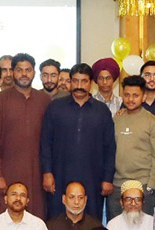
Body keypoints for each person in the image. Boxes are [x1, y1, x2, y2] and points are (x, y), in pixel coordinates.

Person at [40, 63, 116, 219]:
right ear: (70, 82)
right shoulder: (55, 108)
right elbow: (45, 143)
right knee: (57, 218)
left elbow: (109, 147)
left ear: (91, 83)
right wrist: (47, 172)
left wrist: (107, 179)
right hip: (59, 174)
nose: (79, 86)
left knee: (91, 219)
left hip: (93, 177)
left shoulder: (102, 111)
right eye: (75, 81)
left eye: (84, 81)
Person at [110, 74, 155, 218]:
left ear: (144, 97)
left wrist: (151, 185)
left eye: (135, 95)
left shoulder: (153, 122)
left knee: (143, 228)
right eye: (127, 95)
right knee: (115, 228)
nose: (130, 99)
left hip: (143, 184)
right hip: (117, 185)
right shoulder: (116, 120)